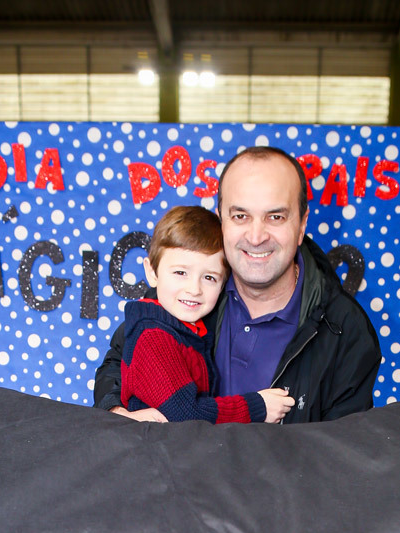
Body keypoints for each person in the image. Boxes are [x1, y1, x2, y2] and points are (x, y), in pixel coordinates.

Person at [94, 145, 381, 423]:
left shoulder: (345, 328)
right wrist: (117, 413)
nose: (256, 237)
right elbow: (119, 361)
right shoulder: (186, 293)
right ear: (221, 220)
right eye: (240, 216)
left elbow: (343, 446)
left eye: (275, 217)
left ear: (302, 224)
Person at [119, 205, 294, 424]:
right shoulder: (153, 337)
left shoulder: (191, 329)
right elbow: (186, 414)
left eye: (209, 278)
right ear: (152, 272)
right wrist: (258, 407)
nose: (194, 289)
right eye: (180, 272)